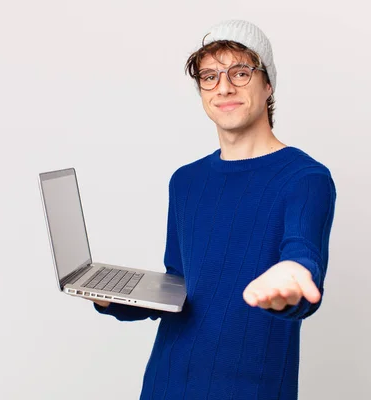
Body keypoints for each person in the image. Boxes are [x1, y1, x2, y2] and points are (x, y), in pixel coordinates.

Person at [88, 19, 336, 400]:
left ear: (267, 85)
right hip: (164, 385)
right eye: (209, 76)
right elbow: (182, 286)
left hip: (251, 390)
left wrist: (293, 277)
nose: (223, 87)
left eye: (240, 72)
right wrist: (116, 299)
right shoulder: (185, 181)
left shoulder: (305, 178)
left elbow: (303, 264)